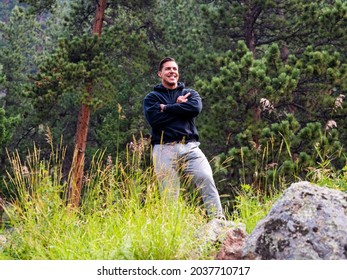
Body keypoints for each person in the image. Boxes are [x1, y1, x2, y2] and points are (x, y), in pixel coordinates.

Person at [143, 57, 225, 219]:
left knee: (206, 178)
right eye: (168, 69)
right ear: (160, 73)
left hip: (190, 147)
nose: (172, 71)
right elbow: (155, 120)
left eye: (175, 69)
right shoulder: (151, 98)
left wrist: (166, 108)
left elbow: (194, 108)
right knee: (169, 192)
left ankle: (219, 221)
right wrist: (180, 109)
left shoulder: (189, 93)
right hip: (163, 148)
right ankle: (172, 229)